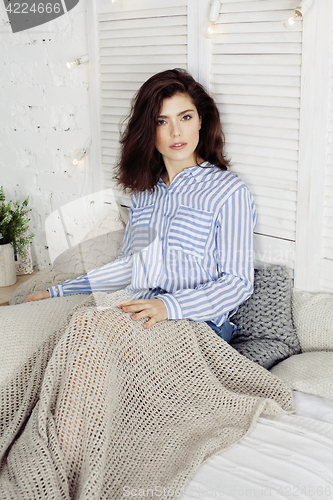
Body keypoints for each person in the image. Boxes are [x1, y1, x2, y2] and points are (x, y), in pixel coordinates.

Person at [26, 68, 257, 344]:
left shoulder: (229, 192)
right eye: (162, 121)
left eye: (185, 117)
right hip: (141, 313)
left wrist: (168, 306)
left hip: (200, 323)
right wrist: (58, 292)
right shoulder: (145, 195)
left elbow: (237, 282)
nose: (176, 131)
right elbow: (128, 268)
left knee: (89, 331)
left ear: (200, 121)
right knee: (72, 329)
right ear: (149, 130)